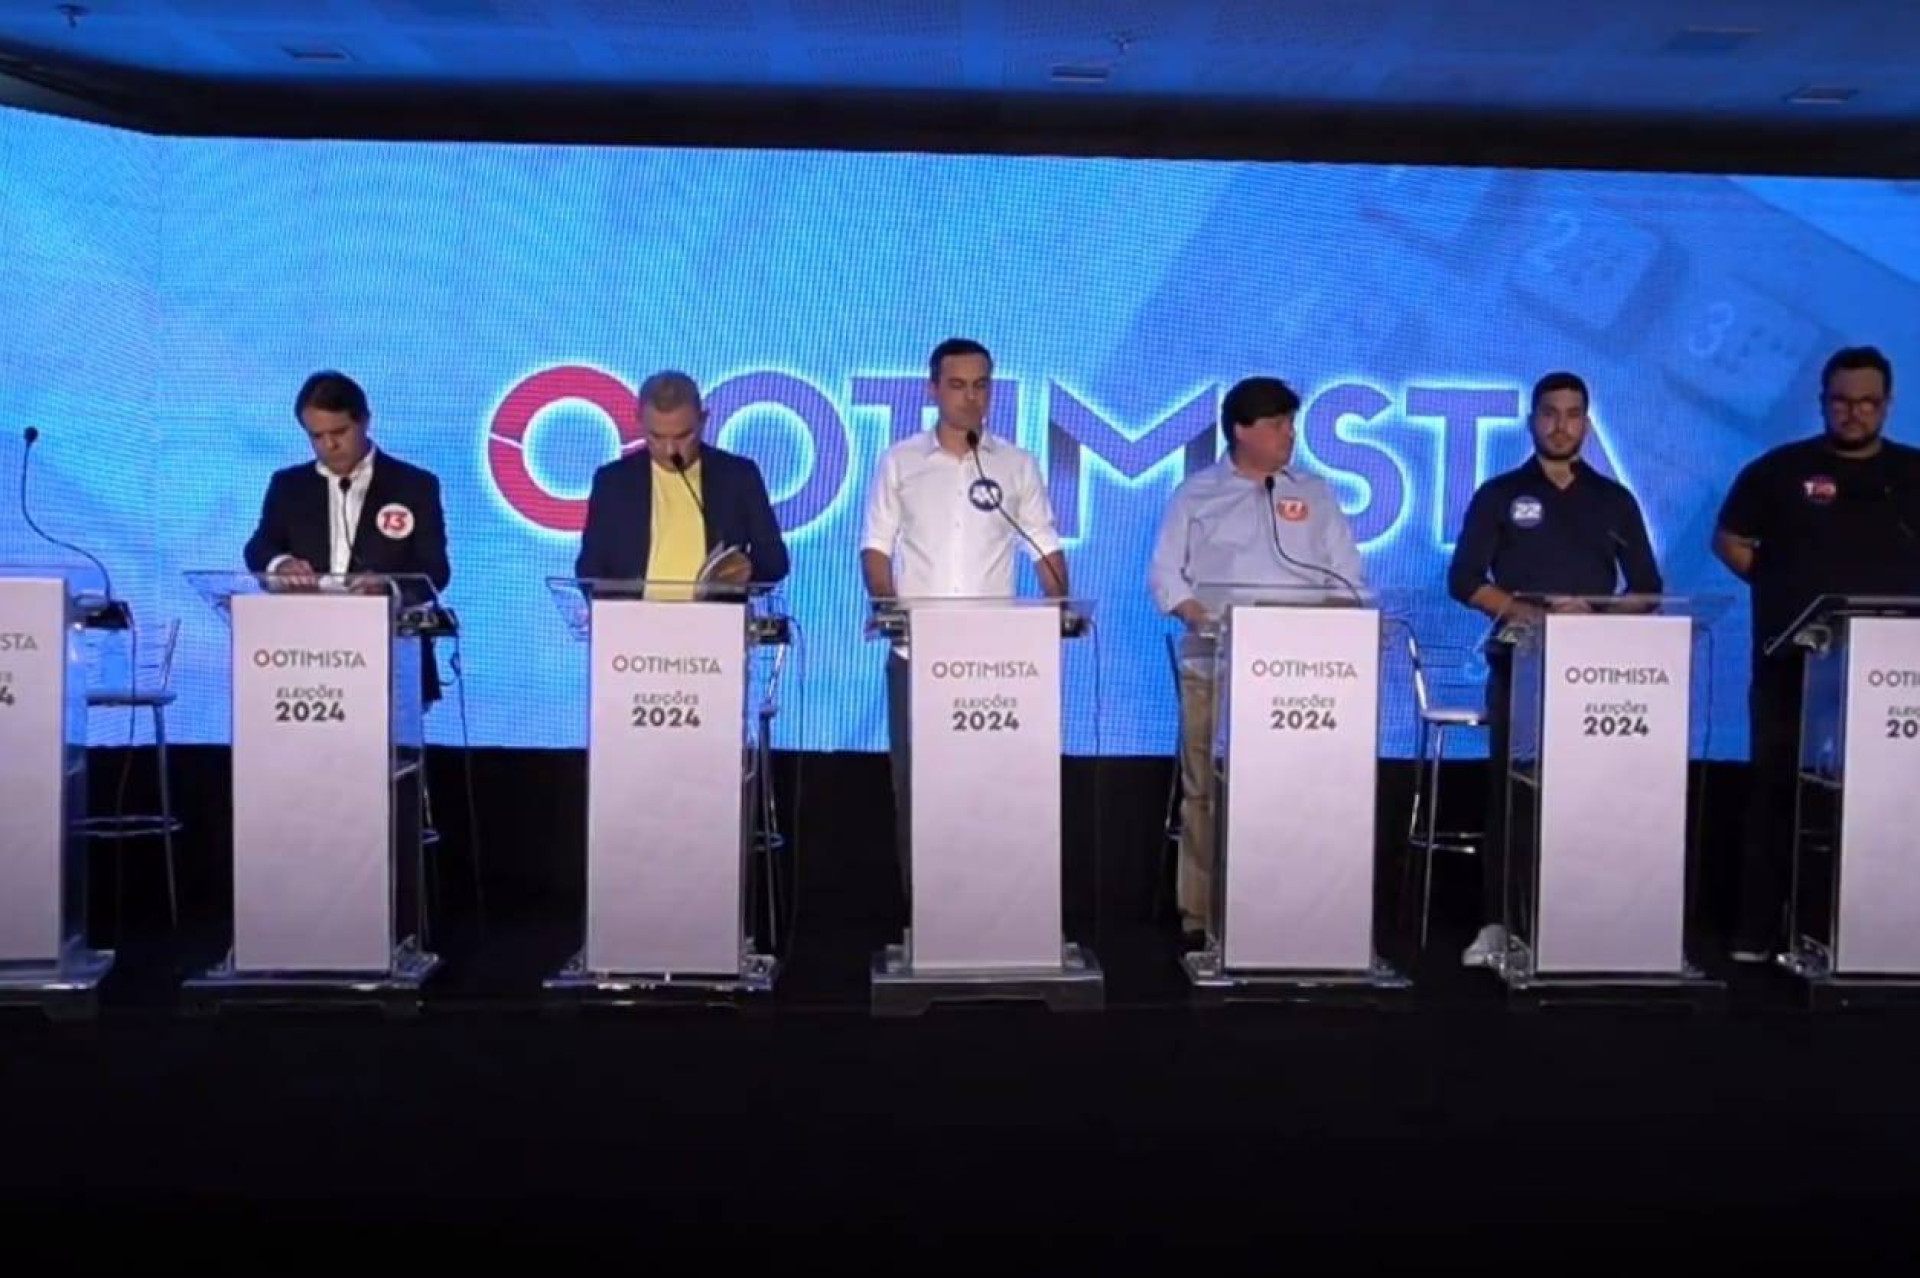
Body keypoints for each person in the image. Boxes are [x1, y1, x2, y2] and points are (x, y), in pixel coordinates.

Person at [1446, 371, 1662, 967]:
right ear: (1532, 420)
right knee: (1510, 793)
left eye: (1572, 414)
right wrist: (1527, 612)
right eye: (1550, 413)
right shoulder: (1498, 494)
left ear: (1587, 424)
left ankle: (1586, 918)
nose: (1561, 425)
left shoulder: (1613, 499)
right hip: (1522, 656)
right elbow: (1464, 580)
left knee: (1591, 795)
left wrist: (1597, 613)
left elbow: (1647, 587)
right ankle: (1499, 921)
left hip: (1596, 668)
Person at [1713, 345, 1920, 962]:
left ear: (1887, 405)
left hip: (1895, 672)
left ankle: (1878, 931)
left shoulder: (1913, 475)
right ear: (1822, 401)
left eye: (1866, 402)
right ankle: (1760, 932)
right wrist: (1782, 593)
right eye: (1841, 401)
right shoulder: (1777, 471)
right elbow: (1729, 541)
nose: (1853, 413)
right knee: (1776, 792)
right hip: (1793, 662)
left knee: (1886, 799)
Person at [1147, 375, 1363, 946]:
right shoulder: (1197, 493)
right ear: (1241, 430)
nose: (1289, 434)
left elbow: (1348, 577)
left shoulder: (1314, 493)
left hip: (1304, 674)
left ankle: (1298, 909)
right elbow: (1166, 575)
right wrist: (1199, 614)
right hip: (1217, 664)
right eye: (1276, 424)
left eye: (1291, 423)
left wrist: (1343, 622)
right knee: (1207, 790)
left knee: (1300, 791)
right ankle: (1202, 915)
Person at [859, 337, 1068, 895]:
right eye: (957, 385)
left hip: (995, 662)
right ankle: (923, 909)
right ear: (934, 390)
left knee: (992, 791)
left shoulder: (1017, 464)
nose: (970, 398)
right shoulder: (901, 461)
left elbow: (1044, 547)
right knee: (920, 787)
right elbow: (876, 547)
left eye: (981, 386)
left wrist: (1060, 605)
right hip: (917, 653)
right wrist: (885, 604)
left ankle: (997, 903)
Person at [243, 369, 451, 698]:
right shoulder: (289, 485)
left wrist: (388, 586)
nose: (329, 445)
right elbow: (260, 545)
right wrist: (280, 564)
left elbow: (435, 570)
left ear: (365, 420)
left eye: (339, 432)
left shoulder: (414, 486)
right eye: (316, 436)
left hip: (391, 655)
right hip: (302, 661)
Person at [575, 370, 790, 591]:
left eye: (682, 436)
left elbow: (774, 561)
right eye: (656, 436)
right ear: (639, 420)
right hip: (635, 620)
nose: (670, 450)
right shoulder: (613, 482)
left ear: (703, 420)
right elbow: (589, 569)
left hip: (717, 620)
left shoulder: (738, 476)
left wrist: (748, 569)